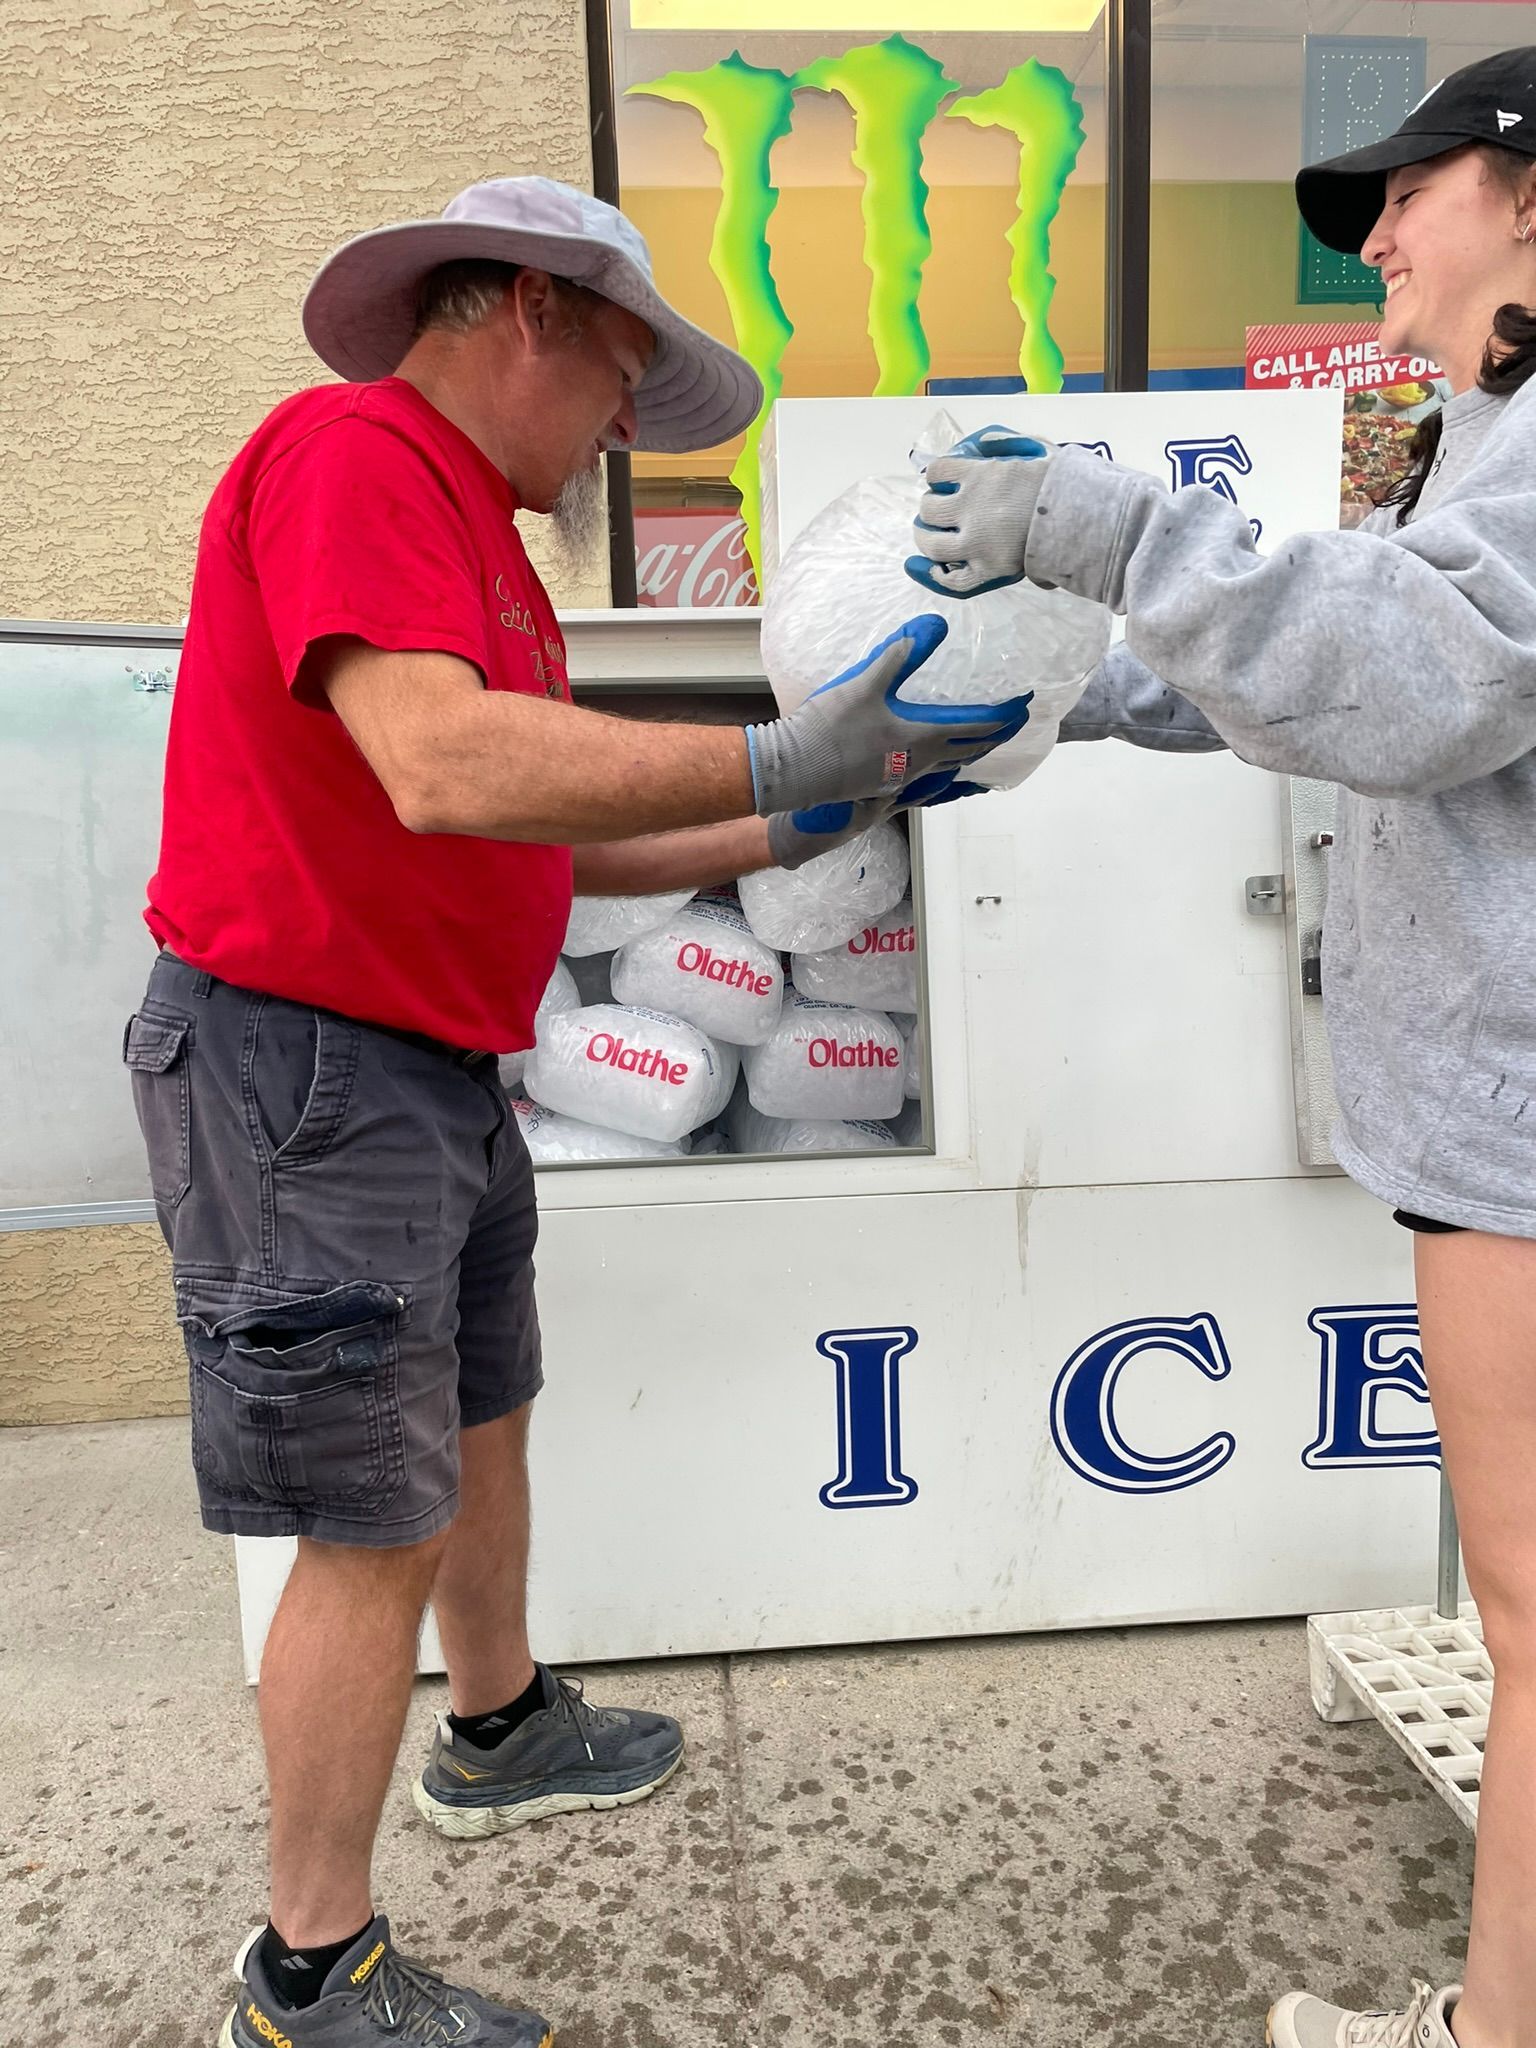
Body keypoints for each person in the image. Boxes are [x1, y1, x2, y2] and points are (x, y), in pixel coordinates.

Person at [127, 175, 1026, 2048]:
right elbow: (442, 765)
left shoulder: (474, 533)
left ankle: (501, 1725)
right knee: (365, 1511)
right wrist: (779, 743)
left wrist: (819, 809)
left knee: (478, 1417)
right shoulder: (355, 454)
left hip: (427, 1063)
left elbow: (554, 833)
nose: (627, 425)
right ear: (529, 307)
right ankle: (307, 1975)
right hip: (309, 1066)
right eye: (625, 369)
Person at [908, 44, 1536, 2048]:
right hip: (1498, 1112)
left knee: (1535, 1622)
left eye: (1409, 192)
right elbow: (1400, 632)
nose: (1377, 237)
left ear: (1531, 193)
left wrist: (1113, 536)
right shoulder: (1490, 429)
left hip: (1522, 1129)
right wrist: (1107, 690)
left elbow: (1433, 670)